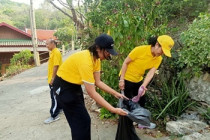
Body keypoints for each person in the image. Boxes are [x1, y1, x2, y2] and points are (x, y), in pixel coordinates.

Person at [52, 34, 128, 140]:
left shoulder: (96, 59)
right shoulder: (86, 61)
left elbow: (98, 82)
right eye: (106, 51)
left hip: (74, 86)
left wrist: (116, 93)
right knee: (81, 121)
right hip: (63, 88)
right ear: (97, 48)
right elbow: (92, 92)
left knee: (81, 121)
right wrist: (113, 109)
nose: (108, 54)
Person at [116, 35, 174, 140]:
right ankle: (127, 128)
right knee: (127, 103)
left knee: (142, 101)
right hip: (127, 78)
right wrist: (122, 80)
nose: (162, 54)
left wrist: (143, 86)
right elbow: (125, 63)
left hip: (138, 79)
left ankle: (141, 122)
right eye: (162, 50)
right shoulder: (140, 50)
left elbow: (151, 73)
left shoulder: (158, 58)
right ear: (157, 44)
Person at [44, 39, 63, 124]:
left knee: (54, 96)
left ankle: (54, 115)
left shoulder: (56, 52)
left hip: (55, 78)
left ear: (52, 44)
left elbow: (56, 66)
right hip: (54, 78)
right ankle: (59, 109)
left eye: (47, 44)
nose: (46, 46)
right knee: (57, 94)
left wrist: (52, 78)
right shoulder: (53, 52)